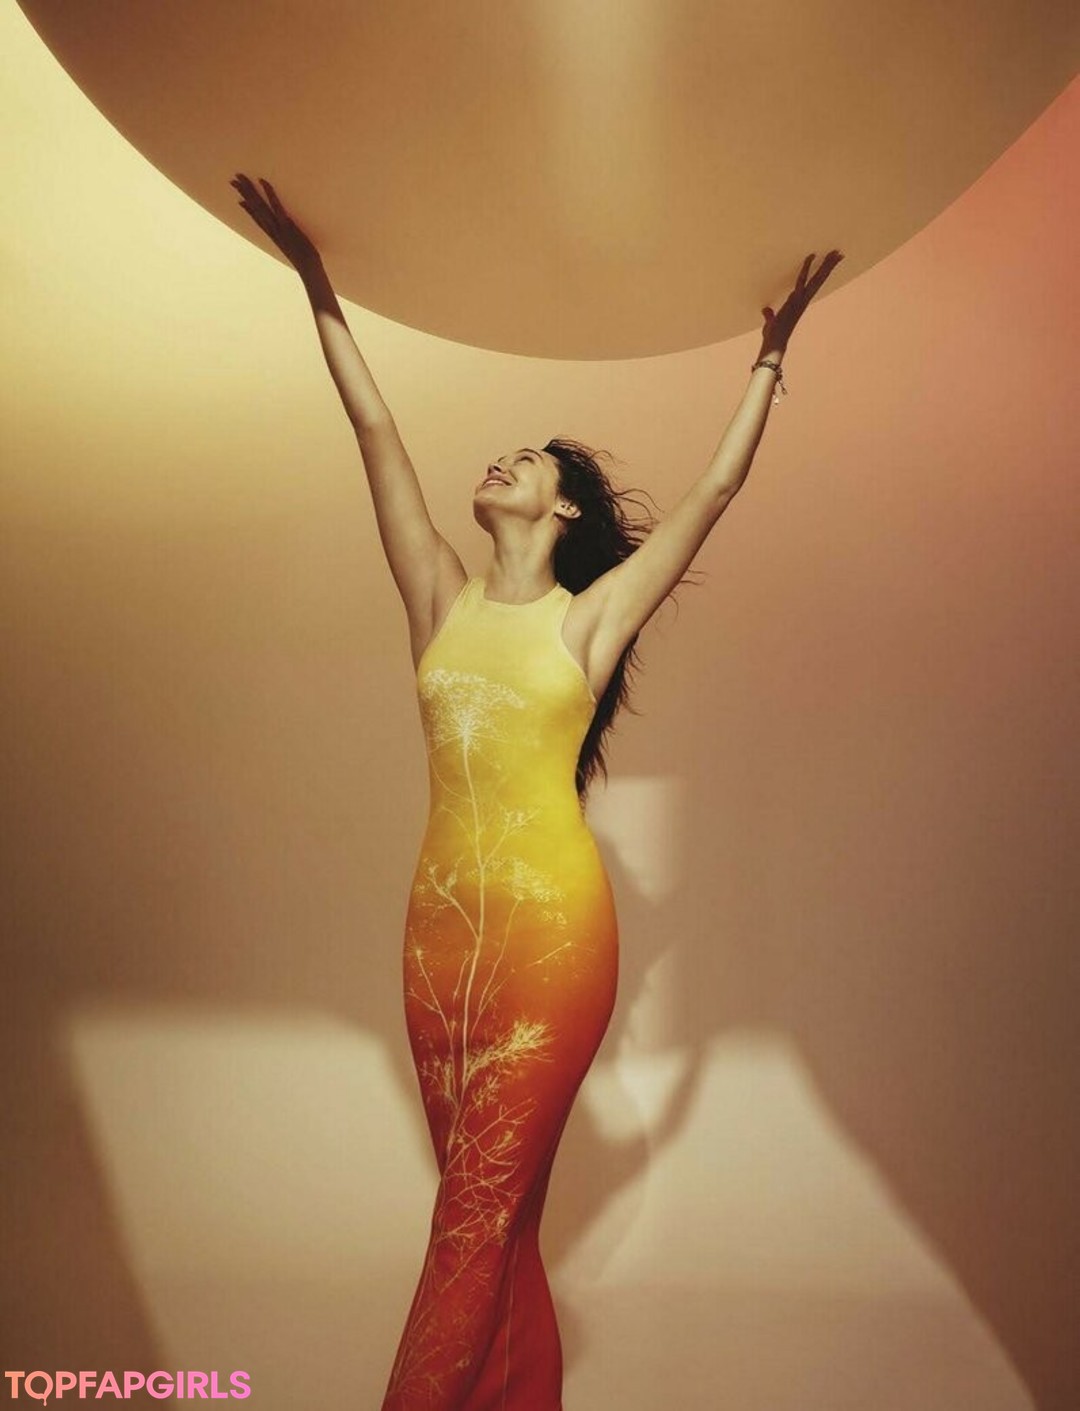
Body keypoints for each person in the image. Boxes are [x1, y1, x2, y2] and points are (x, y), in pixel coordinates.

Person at [232, 173, 841, 1411]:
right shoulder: (438, 596)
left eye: (528, 459)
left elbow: (712, 497)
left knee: (467, 1229)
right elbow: (376, 435)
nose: (500, 459)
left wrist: (771, 358)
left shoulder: (589, 620)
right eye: (502, 451)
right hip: (435, 939)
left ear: (562, 507)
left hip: (553, 940)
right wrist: (316, 282)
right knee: (493, 1232)